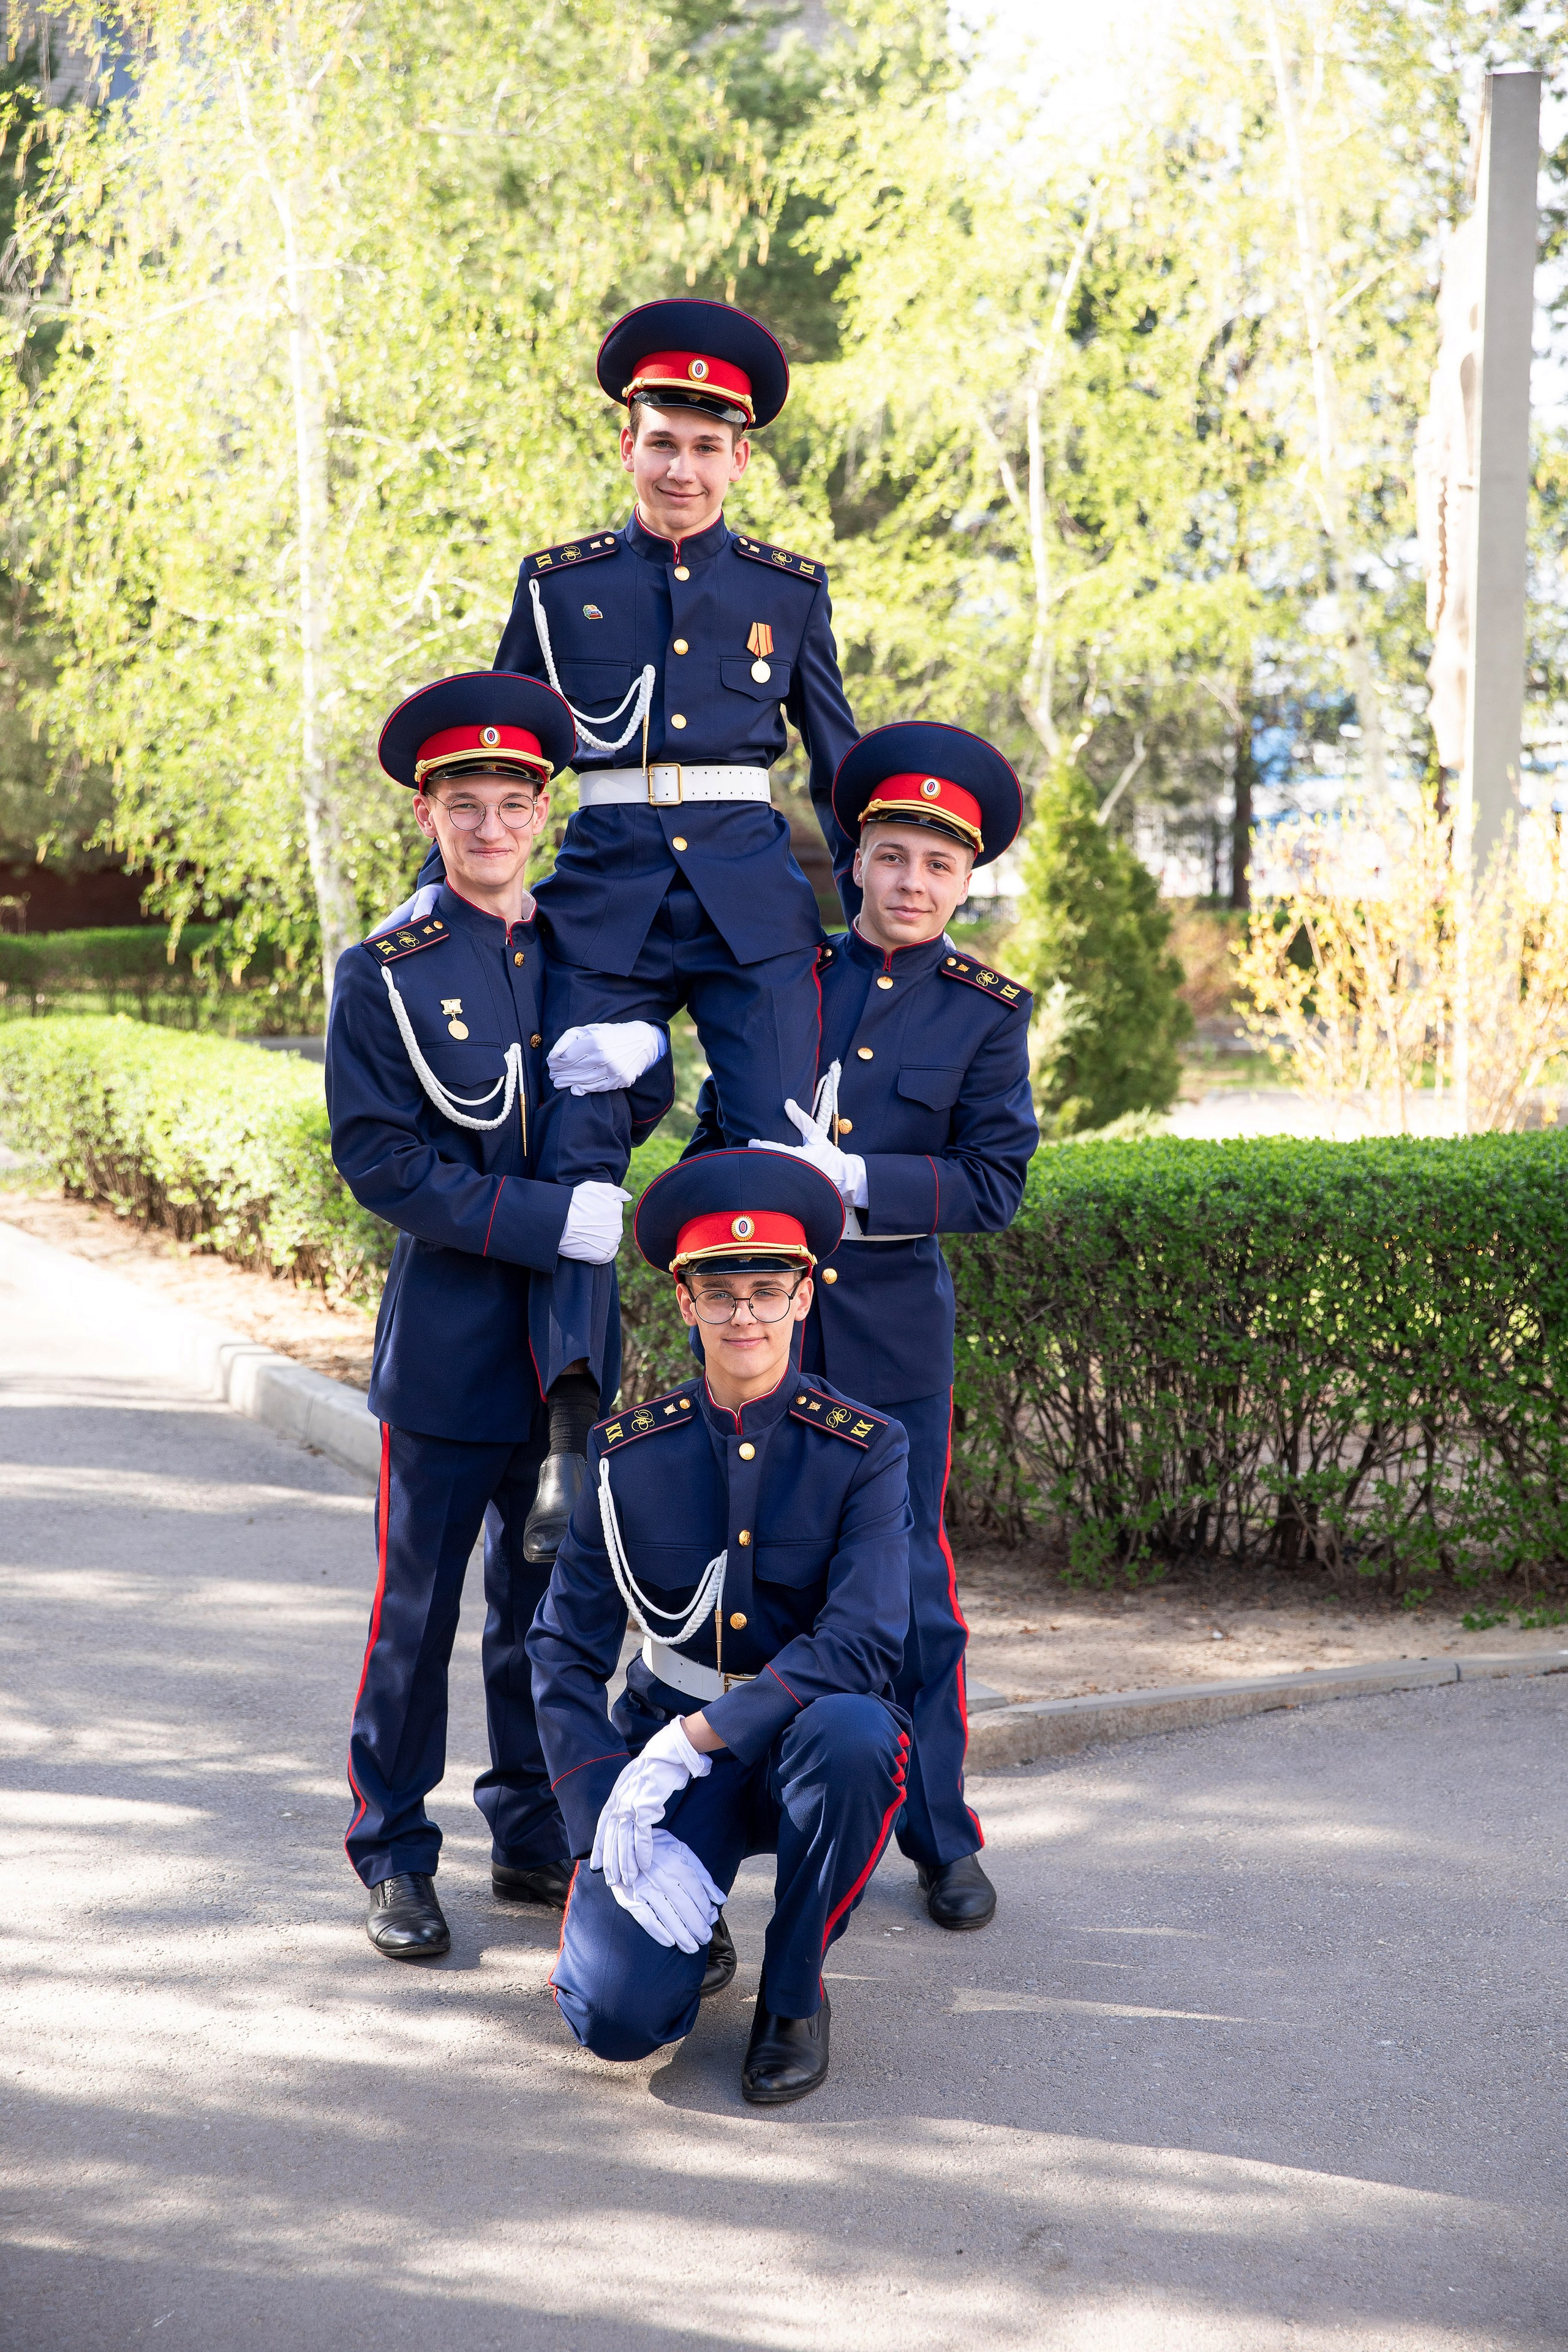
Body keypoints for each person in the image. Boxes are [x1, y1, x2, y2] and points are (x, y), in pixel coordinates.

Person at [421, 296, 861, 1565]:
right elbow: (488, 752)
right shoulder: (560, 587)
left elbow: (838, 771)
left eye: (705, 446)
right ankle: (571, 1435)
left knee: (779, 1153)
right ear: (629, 442)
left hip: (750, 902)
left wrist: (894, 916)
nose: (681, 466)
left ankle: (754, 1429)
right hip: (603, 898)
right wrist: (437, 894)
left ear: (738, 459)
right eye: (661, 440)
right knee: (573, 1144)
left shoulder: (789, 591)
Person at [325, 672, 666, 1962]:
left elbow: (620, 1099)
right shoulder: (389, 972)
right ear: (429, 813)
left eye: (512, 802)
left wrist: (649, 1075)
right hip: (455, 1348)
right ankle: (395, 1852)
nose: (489, 825)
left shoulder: (585, 951)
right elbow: (382, 1164)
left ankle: (527, 1829)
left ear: (542, 813)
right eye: (462, 804)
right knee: (414, 1617)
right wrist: (538, 1222)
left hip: (569, 1355)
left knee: (552, 1607)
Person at [688, 722, 1036, 1930]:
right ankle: (752, 1825)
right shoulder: (785, 988)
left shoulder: (984, 1014)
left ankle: (940, 1838)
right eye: (891, 856)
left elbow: (992, 1183)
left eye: (937, 868)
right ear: (857, 861)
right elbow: (707, 1142)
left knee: (913, 1606)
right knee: (751, 1583)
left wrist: (855, 1186)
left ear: (965, 879)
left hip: (889, 1352)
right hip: (760, 1343)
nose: (910, 884)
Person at [527, 1153, 912, 2105]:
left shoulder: (865, 1450)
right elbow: (563, 1650)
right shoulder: (625, 1456)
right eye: (722, 1291)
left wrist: (695, 1740)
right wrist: (604, 1808)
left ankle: (794, 1993)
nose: (746, 1314)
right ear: (684, 1301)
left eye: (767, 1288)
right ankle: (688, 1926)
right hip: (667, 1743)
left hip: (798, 1746)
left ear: (803, 1298)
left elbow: (864, 1640)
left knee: (859, 1734)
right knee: (614, 2021)